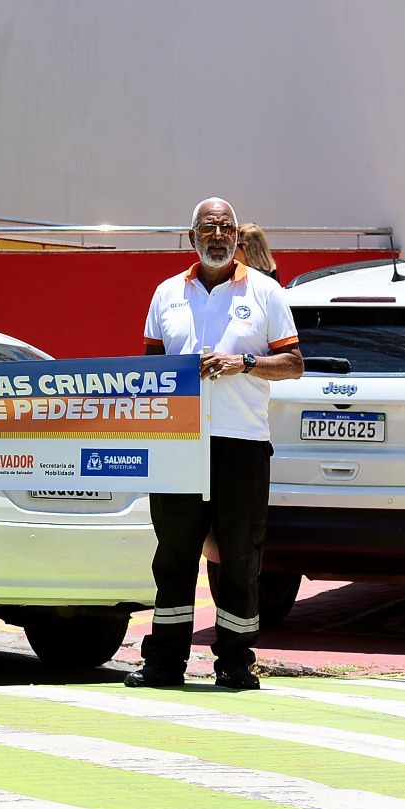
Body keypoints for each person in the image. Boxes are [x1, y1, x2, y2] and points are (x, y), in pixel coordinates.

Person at [128, 197, 303, 692]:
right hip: (179, 444)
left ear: (237, 236)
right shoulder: (166, 294)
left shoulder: (266, 292)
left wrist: (241, 363)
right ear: (193, 237)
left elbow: (294, 364)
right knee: (174, 554)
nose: (218, 235)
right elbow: (150, 371)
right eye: (209, 227)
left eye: (226, 227)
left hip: (241, 442)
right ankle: (165, 661)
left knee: (240, 556)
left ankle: (236, 662)